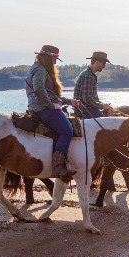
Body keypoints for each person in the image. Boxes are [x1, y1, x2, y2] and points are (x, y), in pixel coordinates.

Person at [25, 45, 79, 179]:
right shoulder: (41, 70)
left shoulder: (38, 67)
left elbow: (50, 93)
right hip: (42, 107)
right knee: (67, 130)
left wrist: (68, 101)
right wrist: (50, 105)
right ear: (48, 57)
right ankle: (58, 166)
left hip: (40, 106)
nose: (55, 62)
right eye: (55, 58)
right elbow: (38, 89)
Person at [74, 51, 112, 119]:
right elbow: (87, 99)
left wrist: (102, 105)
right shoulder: (88, 76)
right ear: (97, 62)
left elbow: (91, 98)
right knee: (106, 126)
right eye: (103, 63)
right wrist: (102, 106)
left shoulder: (88, 74)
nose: (104, 66)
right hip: (86, 110)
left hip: (86, 109)